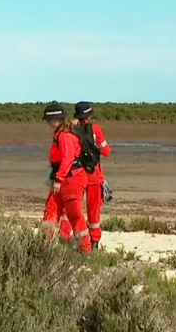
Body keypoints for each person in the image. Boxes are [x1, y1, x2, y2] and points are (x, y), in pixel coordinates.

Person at [39, 103, 92, 253]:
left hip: (71, 179)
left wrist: (58, 180)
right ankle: (45, 244)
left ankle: (85, 249)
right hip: (64, 178)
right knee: (51, 209)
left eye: (50, 120)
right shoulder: (61, 133)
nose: (49, 123)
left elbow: (67, 159)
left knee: (75, 215)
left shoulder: (64, 136)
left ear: (57, 119)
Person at [73, 101, 112, 249]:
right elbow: (106, 151)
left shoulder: (72, 131)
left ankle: (78, 241)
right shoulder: (96, 130)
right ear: (89, 116)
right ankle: (94, 242)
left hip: (77, 175)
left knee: (74, 210)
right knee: (93, 212)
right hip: (95, 176)